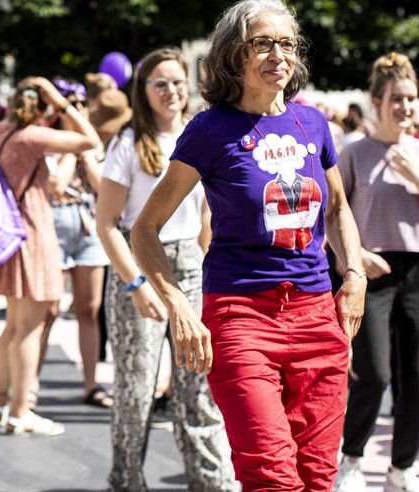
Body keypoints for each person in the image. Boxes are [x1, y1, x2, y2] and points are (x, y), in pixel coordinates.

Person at [131, 0, 367, 489]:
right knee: (271, 474)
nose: (278, 55)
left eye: (287, 44)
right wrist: (178, 305)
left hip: (318, 318)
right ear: (234, 55)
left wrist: (354, 275)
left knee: (318, 476)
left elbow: (338, 207)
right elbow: (145, 228)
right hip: (241, 318)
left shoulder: (313, 124)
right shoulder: (210, 130)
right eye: (263, 43)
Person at [96, 47, 237, 491]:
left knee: (198, 387)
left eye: (178, 82)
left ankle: (212, 481)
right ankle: (126, 481)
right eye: (160, 83)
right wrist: (135, 283)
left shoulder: (202, 136)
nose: (171, 91)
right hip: (139, 266)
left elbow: (207, 218)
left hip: (192, 266)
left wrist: (205, 261)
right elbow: (107, 224)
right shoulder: (127, 142)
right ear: (144, 90)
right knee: (136, 392)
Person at [333, 52, 419, 492]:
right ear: (377, 102)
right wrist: (354, 257)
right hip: (369, 269)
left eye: (412, 98)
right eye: (397, 98)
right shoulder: (354, 153)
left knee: (418, 376)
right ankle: (350, 460)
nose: (406, 106)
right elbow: (332, 215)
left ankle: (401, 468)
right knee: (374, 372)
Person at [0, 76, 100, 436]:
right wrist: (63, 104)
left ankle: (1, 402)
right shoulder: (31, 136)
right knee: (29, 330)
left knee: (14, 328)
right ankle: (22, 411)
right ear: (42, 106)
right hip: (33, 233)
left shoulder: (1, 131)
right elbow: (89, 138)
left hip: (10, 235)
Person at [42, 78, 112, 408]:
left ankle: (91, 383)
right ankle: (30, 387)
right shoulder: (46, 140)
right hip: (53, 226)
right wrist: (75, 148)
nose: (77, 110)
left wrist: (84, 152)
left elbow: (102, 188)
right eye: (69, 103)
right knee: (48, 309)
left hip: (87, 228)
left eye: (81, 103)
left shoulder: (91, 143)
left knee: (89, 308)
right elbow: (55, 184)